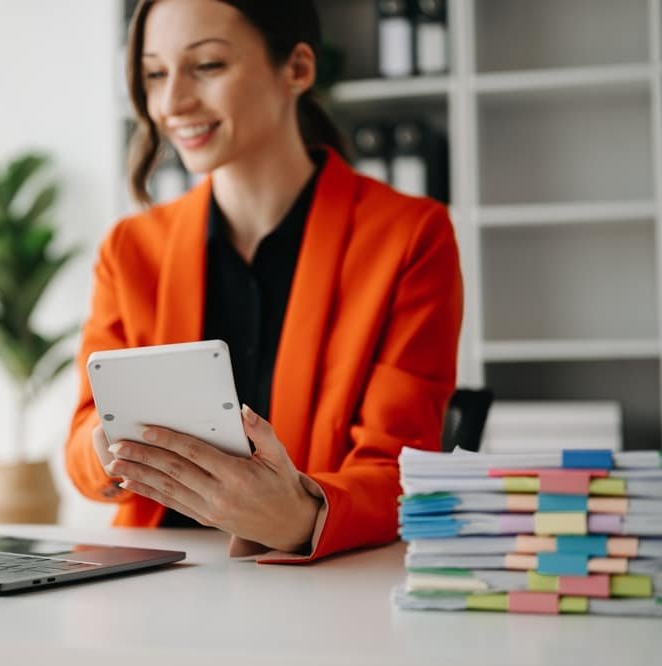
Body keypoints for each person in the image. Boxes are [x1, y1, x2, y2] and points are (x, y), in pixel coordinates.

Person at [64, 0, 462, 562]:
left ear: (297, 69)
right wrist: (110, 448)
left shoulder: (409, 236)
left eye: (206, 66)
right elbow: (82, 442)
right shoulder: (131, 249)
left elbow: (399, 466)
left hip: (316, 584)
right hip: (157, 575)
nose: (172, 103)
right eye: (155, 73)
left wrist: (299, 516)